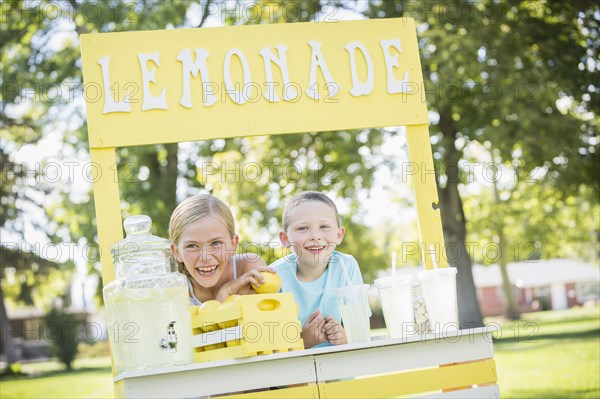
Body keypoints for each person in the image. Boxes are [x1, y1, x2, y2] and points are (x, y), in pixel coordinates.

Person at [270, 191, 365, 348]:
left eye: (324, 226)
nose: (315, 236)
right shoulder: (275, 276)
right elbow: (270, 347)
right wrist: (302, 340)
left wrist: (343, 337)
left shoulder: (346, 266)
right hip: (293, 370)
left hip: (340, 367)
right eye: (303, 228)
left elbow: (361, 333)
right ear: (285, 239)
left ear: (339, 234)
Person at [169, 194, 274, 304]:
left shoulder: (248, 267)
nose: (205, 257)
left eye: (216, 243)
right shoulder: (176, 292)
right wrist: (225, 293)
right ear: (176, 252)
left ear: (233, 244)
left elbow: (262, 318)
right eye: (192, 246)